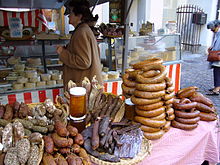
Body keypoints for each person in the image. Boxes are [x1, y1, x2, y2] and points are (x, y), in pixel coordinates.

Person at [56, 0, 103, 90]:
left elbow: (84, 62)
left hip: (83, 87)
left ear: (79, 16)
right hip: (85, 86)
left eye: (71, 12)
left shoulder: (81, 32)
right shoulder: (83, 30)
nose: (69, 15)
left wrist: (63, 53)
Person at [206, 20, 220, 95]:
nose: (212, 30)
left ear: (217, 26)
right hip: (217, 54)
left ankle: (216, 89)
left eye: (212, 29)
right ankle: (217, 87)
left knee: (217, 71)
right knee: (217, 71)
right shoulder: (217, 33)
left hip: (218, 56)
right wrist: (212, 48)